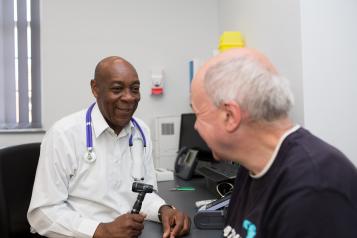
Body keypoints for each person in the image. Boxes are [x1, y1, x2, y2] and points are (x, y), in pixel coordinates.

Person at [190, 48, 357, 238]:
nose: (195, 126)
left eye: (198, 114)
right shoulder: (253, 164)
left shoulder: (315, 188)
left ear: (230, 116)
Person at [27, 56, 190, 238]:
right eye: (117, 89)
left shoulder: (141, 132)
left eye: (135, 89)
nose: (129, 97)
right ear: (95, 89)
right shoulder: (63, 134)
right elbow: (42, 213)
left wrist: (164, 210)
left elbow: (145, 194)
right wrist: (100, 230)